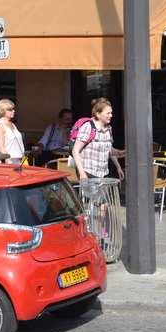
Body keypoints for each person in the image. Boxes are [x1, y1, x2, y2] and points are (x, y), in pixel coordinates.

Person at [71, 98, 125, 238]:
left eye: (111, 113)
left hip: (102, 172)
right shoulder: (88, 127)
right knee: (101, 203)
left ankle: (94, 230)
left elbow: (108, 149)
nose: (111, 115)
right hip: (89, 171)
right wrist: (82, 173)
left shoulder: (108, 129)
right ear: (98, 114)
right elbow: (76, 150)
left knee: (100, 203)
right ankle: (93, 231)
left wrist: (119, 153)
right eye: (108, 113)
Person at [0, 99, 24, 164]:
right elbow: (0, 147)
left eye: (13, 109)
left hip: (17, 159)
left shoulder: (12, 123)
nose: (13, 111)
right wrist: (9, 161)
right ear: (3, 111)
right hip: (6, 161)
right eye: (10, 110)